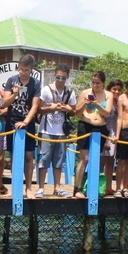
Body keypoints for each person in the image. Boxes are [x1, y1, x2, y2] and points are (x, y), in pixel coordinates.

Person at [2, 55, 42, 198]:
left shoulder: (36, 83)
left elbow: (35, 106)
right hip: (12, 121)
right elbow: (4, 103)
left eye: (25, 70)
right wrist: (14, 94)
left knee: (28, 155)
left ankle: (29, 188)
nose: (22, 72)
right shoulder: (11, 80)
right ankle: (15, 187)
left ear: (31, 69)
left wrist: (25, 122)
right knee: (14, 156)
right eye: (20, 69)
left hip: (28, 122)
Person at [36, 65, 75, 198]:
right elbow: (37, 109)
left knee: (59, 162)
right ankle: (41, 188)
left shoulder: (70, 92)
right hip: (46, 130)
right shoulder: (46, 90)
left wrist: (66, 108)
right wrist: (51, 107)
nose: (60, 80)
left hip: (62, 133)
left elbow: (74, 111)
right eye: (58, 77)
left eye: (63, 78)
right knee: (43, 160)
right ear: (54, 76)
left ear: (67, 77)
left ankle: (57, 188)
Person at [72, 70, 111, 198]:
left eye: (98, 83)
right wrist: (85, 103)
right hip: (85, 126)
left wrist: (97, 105)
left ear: (103, 83)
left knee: (95, 160)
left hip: (100, 128)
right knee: (85, 159)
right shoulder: (85, 93)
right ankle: (77, 188)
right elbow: (77, 113)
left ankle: (92, 187)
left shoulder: (108, 95)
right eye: (93, 83)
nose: (95, 85)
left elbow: (107, 113)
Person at [103, 79, 123, 196]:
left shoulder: (118, 102)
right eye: (114, 89)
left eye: (119, 90)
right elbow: (102, 119)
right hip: (105, 133)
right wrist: (106, 139)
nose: (116, 92)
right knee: (101, 162)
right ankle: (98, 186)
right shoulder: (106, 100)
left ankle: (109, 187)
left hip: (114, 134)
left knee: (110, 163)